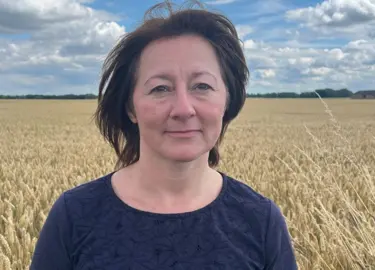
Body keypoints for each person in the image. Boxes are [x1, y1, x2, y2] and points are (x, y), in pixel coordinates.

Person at [29, 1, 298, 269]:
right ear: (130, 107)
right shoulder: (75, 215)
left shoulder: (260, 220)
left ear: (227, 100)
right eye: (160, 88)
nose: (183, 109)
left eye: (202, 86)